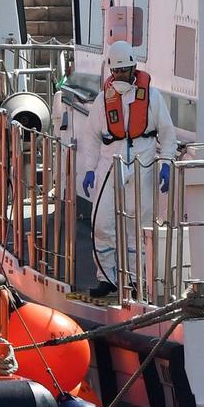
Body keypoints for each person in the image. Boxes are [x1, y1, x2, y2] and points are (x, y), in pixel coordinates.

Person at [78, 40, 177, 297]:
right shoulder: (103, 100)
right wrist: (89, 169)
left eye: (125, 70)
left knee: (138, 226)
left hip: (142, 167)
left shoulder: (152, 98)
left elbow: (167, 135)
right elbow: (90, 138)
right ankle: (107, 277)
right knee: (101, 224)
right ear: (111, 71)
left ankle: (135, 279)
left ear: (134, 68)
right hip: (110, 167)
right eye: (116, 71)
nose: (120, 75)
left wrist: (165, 164)